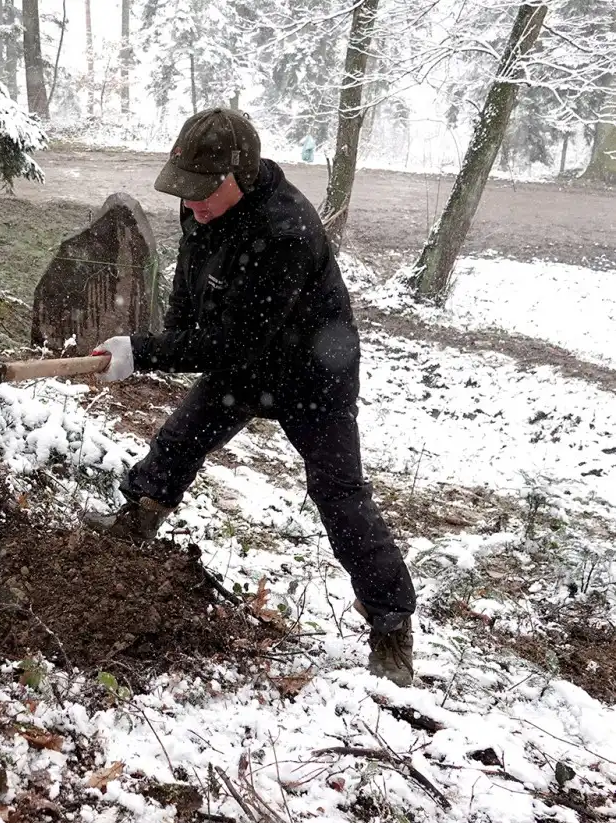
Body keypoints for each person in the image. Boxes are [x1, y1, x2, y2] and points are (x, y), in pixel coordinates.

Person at [83, 108, 416, 686]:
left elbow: (236, 341)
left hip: (313, 374)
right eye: (184, 189)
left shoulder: (287, 232)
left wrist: (145, 352)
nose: (190, 202)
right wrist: (169, 336)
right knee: (180, 438)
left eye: (201, 190)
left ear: (240, 175)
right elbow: (190, 287)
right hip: (244, 360)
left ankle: (391, 624)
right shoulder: (202, 206)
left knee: (338, 493)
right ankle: (140, 516)